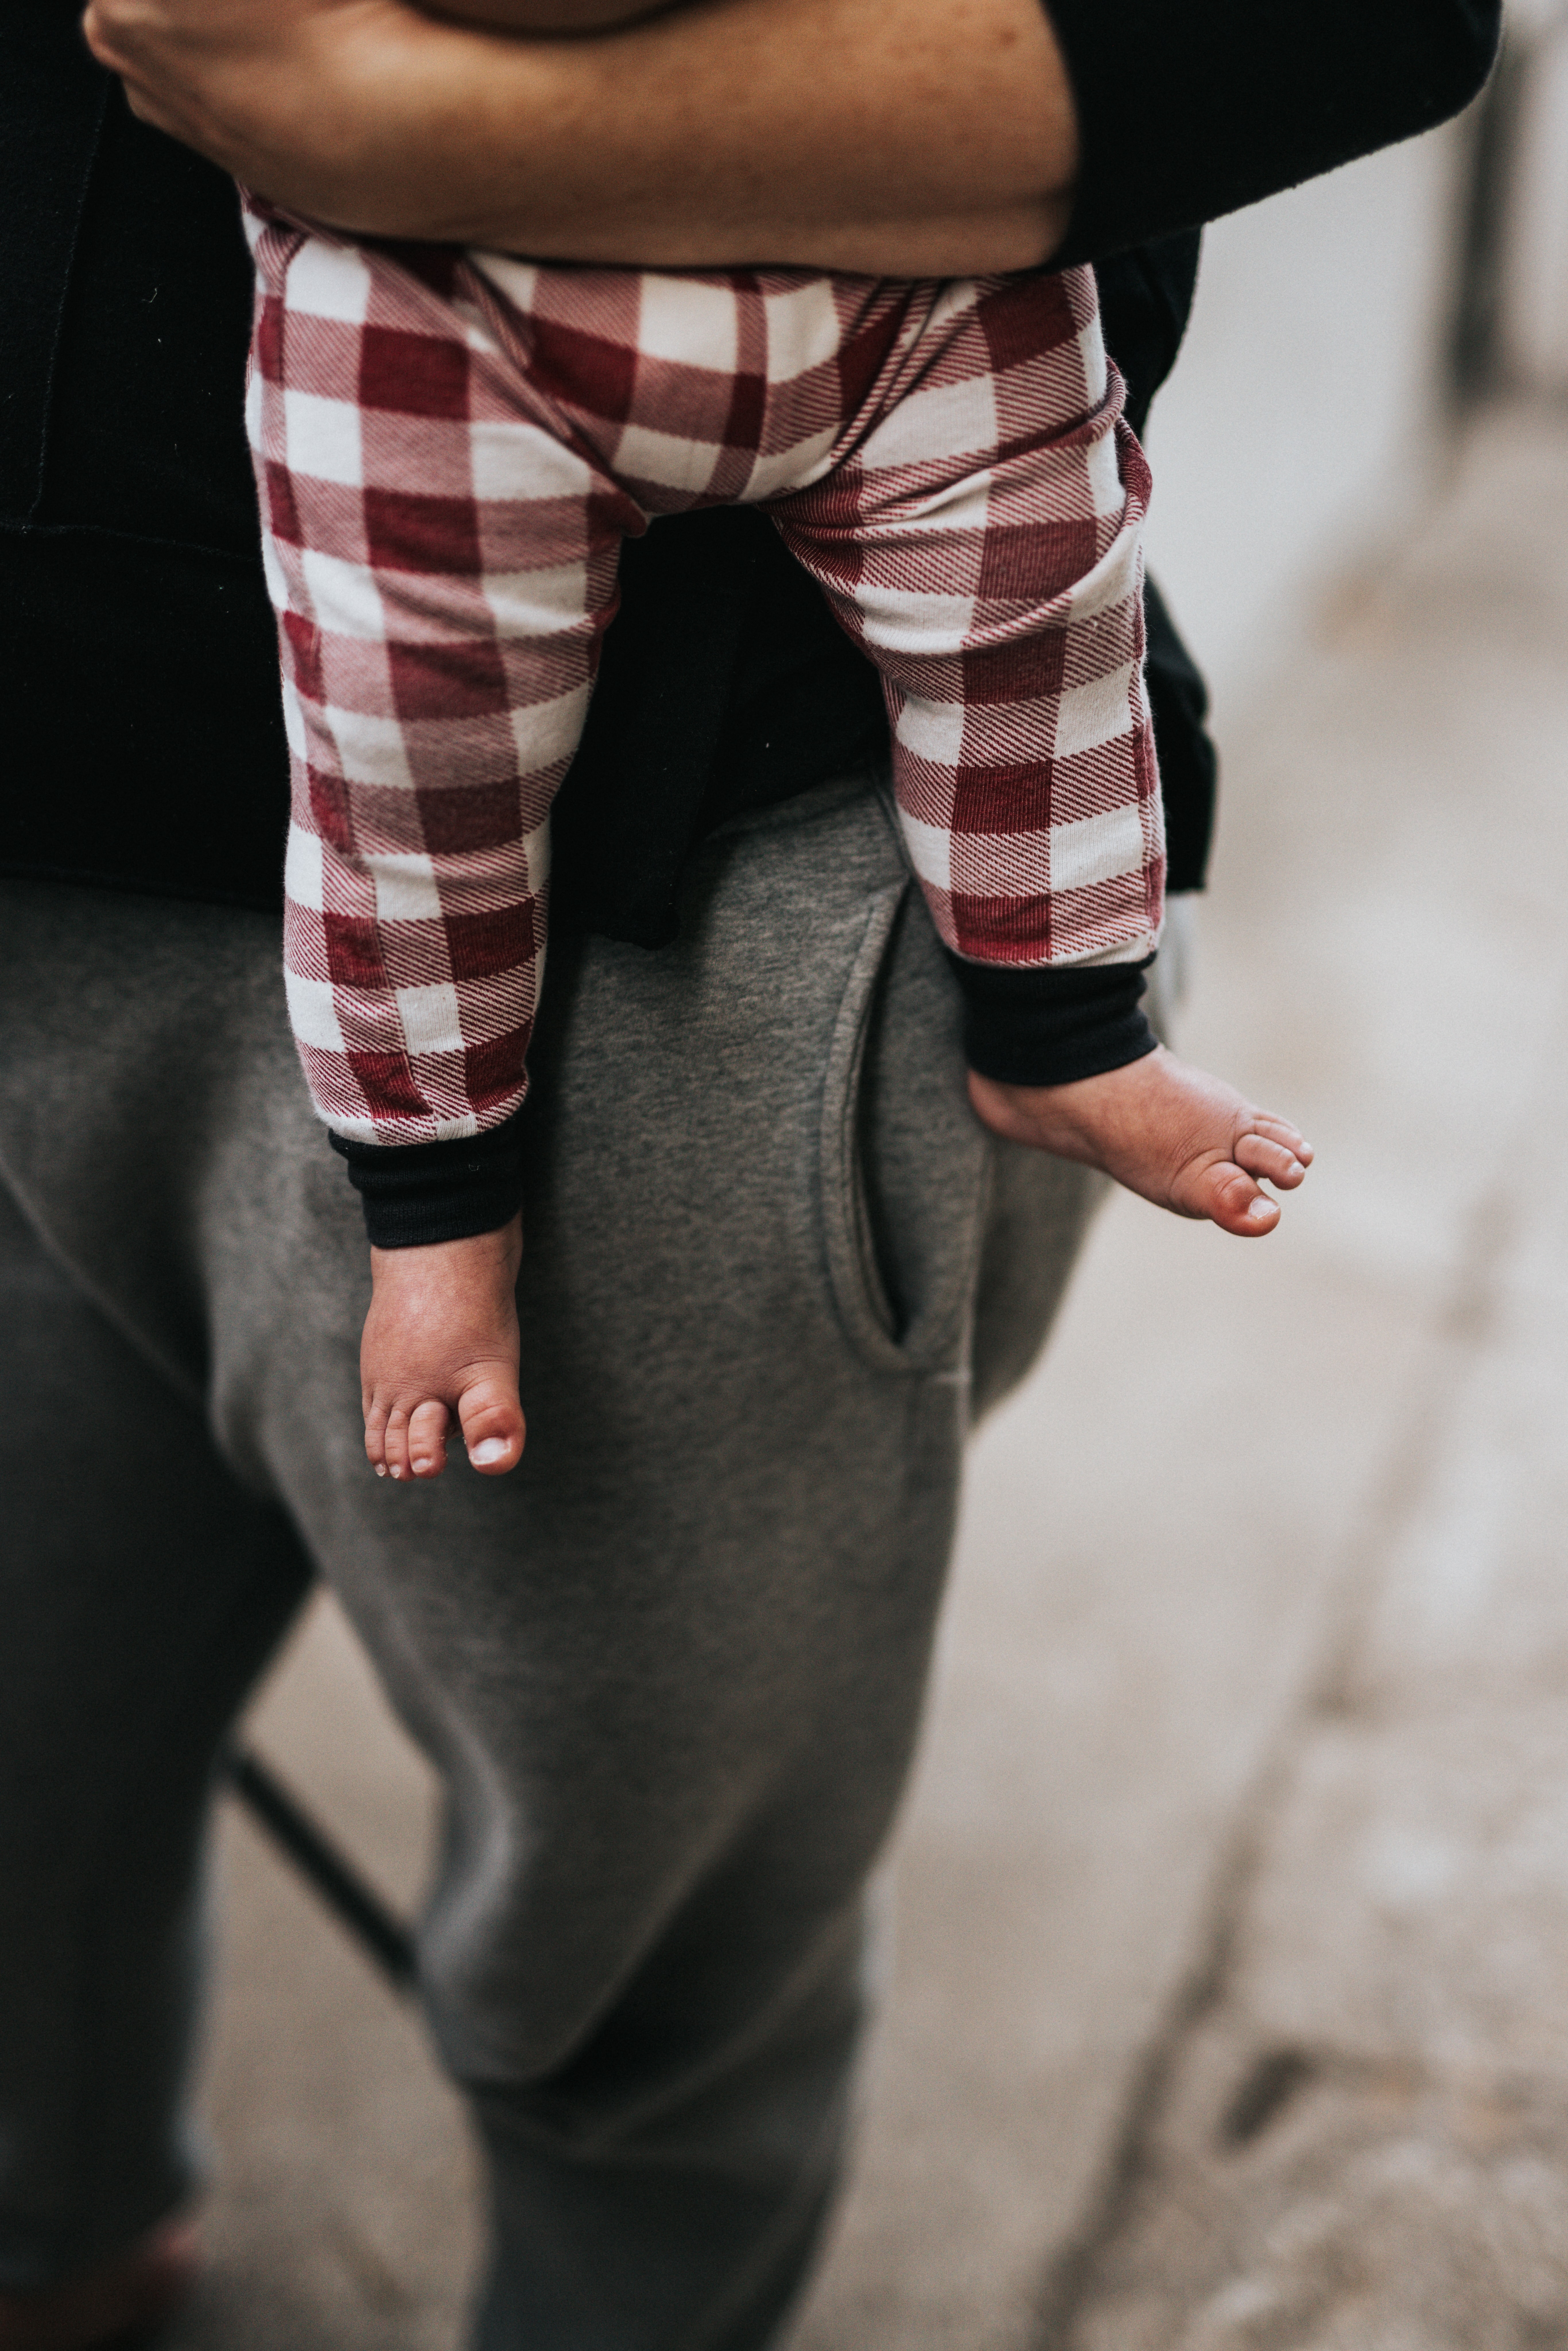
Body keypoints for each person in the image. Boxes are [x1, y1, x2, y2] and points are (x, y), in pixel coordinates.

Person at [0, 2, 1497, 2346]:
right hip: (100, 711)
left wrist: (446, 124)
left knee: (640, 2010)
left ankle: (1056, 1018)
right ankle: (60, 2240)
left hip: (723, 871)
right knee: (29, 1782)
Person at [241, 188, 1312, 1485]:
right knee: (421, 770)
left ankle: (1060, 1029)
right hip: (457, 279)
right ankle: (437, 1211)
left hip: (889, 235)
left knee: (1032, 608)